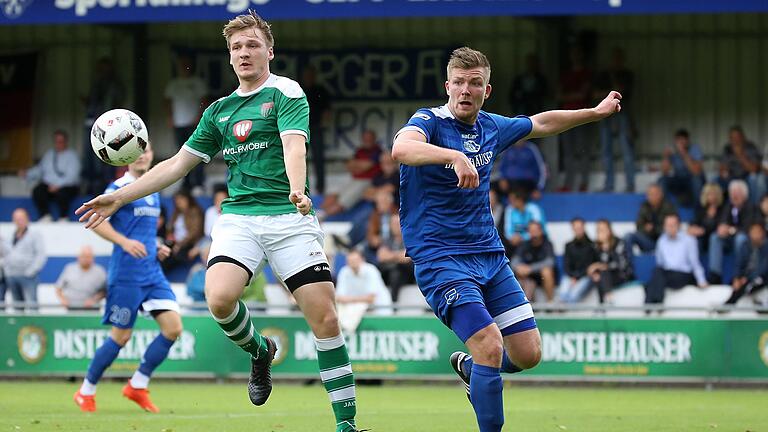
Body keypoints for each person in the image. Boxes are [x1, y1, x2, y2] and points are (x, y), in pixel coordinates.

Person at [77, 12, 362, 432]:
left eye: (251, 45)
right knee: (220, 299)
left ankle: (346, 424)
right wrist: (119, 196)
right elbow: (176, 165)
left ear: (269, 50)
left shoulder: (286, 92)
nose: (244, 53)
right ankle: (259, 351)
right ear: (229, 57)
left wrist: (299, 190)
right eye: (236, 48)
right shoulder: (218, 112)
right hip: (240, 219)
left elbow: (293, 145)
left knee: (326, 319)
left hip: (289, 216)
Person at [392, 46, 622, 432]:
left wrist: (595, 113)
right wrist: (452, 156)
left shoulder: (491, 128)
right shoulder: (429, 121)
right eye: (460, 83)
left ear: (487, 90)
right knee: (489, 344)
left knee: (528, 354)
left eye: (475, 84)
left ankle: (472, 370)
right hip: (440, 258)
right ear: (448, 86)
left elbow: (543, 123)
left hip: (489, 256)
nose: (466, 90)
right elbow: (402, 148)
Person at [73, 144, 183, 413]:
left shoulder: (152, 189)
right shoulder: (118, 189)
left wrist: (155, 245)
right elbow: (97, 220)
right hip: (126, 275)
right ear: (126, 158)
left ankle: (137, 385)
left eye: (147, 151)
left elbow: (140, 230)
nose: (143, 155)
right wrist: (124, 242)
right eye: (138, 152)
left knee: (173, 329)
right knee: (121, 337)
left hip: (152, 272)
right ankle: (86, 391)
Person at [165, 54, 208, 194]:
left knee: (197, 153)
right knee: (181, 154)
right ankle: (186, 183)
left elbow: (204, 101)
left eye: (187, 64)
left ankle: (198, 184)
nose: (184, 67)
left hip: (194, 123)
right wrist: (170, 117)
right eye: (182, 65)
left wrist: (198, 118)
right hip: (178, 123)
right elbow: (167, 101)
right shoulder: (174, 83)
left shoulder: (197, 82)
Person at [81, 57, 124, 195]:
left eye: (104, 67)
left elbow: (115, 103)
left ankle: (104, 186)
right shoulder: (97, 83)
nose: (102, 71)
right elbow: (94, 102)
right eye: (100, 68)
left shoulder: (114, 84)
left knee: (103, 157)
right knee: (89, 156)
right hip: (91, 123)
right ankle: (91, 185)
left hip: (106, 126)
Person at [645, 214, 707, 304]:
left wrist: (701, 280)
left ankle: (651, 305)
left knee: (652, 282)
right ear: (664, 227)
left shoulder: (689, 240)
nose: (670, 228)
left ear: (678, 226)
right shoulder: (661, 241)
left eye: (672, 225)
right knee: (656, 273)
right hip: (666, 274)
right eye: (667, 225)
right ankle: (655, 303)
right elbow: (660, 262)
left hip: (683, 274)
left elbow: (695, 262)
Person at [597, 47, 635, 193]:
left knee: (626, 149)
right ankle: (609, 185)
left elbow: (621, 91)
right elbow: (595, 94)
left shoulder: (627, 74)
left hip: (622, 113)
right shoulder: (603, 75)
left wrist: (612, 79)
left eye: (619, 58)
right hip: (605, 114)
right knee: (606, 150)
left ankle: (630, 185)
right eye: (614, 58)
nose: (616, 61)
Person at [21, 130, 81, 221]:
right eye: (57, 141)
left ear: (66, 142)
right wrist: (27, 173)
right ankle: (45, 216)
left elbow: (72, 176)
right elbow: (40, 169)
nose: (59, 144)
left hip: (66, 186)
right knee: (38, 191)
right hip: (49, 186)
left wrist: (58, 185)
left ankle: (63, 218)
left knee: (63, 193)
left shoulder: (72, 156)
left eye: (61, 141)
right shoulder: (49, 154)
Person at [708, 180, 760, 284]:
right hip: (729, 239)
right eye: (732, 193)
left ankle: (738, 274)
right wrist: (721, 229)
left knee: (740, 238)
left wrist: (730, 230)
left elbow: (747, 228)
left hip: (746, 241)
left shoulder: (751, 207)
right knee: (715, 237)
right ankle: (715, 274)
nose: (734, 196)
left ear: (745, 195)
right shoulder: (728, 206)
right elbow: (722, 222)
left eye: (737, 193)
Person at [557, 46, 593, 192]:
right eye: (573, 54)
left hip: (582, 116)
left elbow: (583, 95)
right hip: (565, 117)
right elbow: (558, 95)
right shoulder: (566, 74)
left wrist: (569, 96)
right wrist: (574, 95)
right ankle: (569, 183)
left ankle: (584, 182)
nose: (575, 56)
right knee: (568, 152)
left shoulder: (587, 73)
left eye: (578, 54)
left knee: (582, 150)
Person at [322, 129, 383, 217]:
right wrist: (360, 166)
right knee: (333, 194)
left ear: (374, 139)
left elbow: (366, 166)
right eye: (365, 138)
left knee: (343, 202)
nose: (367, 141)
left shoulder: (377, 150)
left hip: (368, 181)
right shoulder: (360, 150)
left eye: (369, 138)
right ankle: (317, 213)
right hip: (355, 179)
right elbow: (349, 165)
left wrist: (357, 166)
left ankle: (322, 216)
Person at [0, 208, 46, 311]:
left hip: (28, 276)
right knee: (17, 306)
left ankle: (34, 326)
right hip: (11, 275)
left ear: (27, 219)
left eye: (21, 218)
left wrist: (31, 271)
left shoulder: (35, 235)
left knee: (31, 305)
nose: (19, 221)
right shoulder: (9, 236)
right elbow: (5, 254)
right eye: (16, 219)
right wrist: (7, 270)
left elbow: (40, 255)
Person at [301, 65, 332, 195]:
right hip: (301, 129)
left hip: (316, 128)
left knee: (319, 159)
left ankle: (320, 189)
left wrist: (324, 124)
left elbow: (327, 110)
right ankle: (301, 188)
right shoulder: (299, 89)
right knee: (300, 159)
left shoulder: (320, 90)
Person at [586, 219, 634, 303]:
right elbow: (591, 265)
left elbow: (620, 264)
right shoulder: (595, 246)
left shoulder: (619, 243)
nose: (600, 232)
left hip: (621, 274)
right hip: (605, 276)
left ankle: (605, 300)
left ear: (609, 230)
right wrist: (595, 272)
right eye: (598, 230)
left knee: (603, 272)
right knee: (599, 276)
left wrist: (607, 250)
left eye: (602, 229)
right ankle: (604, 302)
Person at [336, 249, 394, 316]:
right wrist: (360, 299)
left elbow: (371, 298)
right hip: (356, 312)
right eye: (350, 261)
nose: (353, 262)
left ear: (362, 259)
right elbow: (339, 297)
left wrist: (349, 300)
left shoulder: (371, 270)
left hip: (380, 311)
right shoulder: (344, 271)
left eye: (355, 260)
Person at [623, 184, 677, 254]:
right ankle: (628, 262)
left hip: (666, 242)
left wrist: (653, 229)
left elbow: (673, 227)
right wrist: (647, 229)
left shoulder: (669, 207)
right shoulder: (644, 206)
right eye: (650, 194)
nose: (653, 196)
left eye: (655, 194)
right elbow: (639, 226)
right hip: (649, 242)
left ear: (661, 194)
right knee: (628, 236)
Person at [511, 221, 557, 303]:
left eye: (536, 230)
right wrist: (519, 267)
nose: (534, 233)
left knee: (546, 272)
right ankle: (524, 304)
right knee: (518, 271)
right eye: (531, 231)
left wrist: (530, 268)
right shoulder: (524, 244)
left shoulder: (547, 244)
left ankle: (551, 302)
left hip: (541, 277)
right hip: (528, 277)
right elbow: (514, 261)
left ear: (541, 231)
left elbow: (550, 262)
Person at [717, 126, 764, 204]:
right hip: (731, 177)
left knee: (755, 178)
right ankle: (723, 210)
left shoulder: (751, 147)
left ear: (743, 137)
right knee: (715, 180)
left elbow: (754, 169)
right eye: (732, 137)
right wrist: (723, 170)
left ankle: (753, 207)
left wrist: (740, 155)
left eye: (737, 137)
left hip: (747, 176)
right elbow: (722, 168)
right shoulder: (727, 148)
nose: (735, 140)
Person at [659, 129, 705, 207]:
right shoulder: (673, 150)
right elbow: (664, 172)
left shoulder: (694, 148)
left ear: (687, 141)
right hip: (679, 180)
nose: (680, 143)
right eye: (678, 141)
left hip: (693, 180)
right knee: (662, 180)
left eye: (682, 140)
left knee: (696, 180)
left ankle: (699, 211)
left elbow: (696, 171)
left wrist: (683, 152)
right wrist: (666, 157)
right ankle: (665, 209)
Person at [725, 223, 768, 305]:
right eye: (753, 232)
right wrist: (737, 277)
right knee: (738, 284)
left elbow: (763, 268)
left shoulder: (766, 247)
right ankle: (757, 303)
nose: (755, 235)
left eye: (757, 232)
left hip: (762, 277)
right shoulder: (745, 245)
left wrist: (748, 278)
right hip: (746, 277)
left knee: (752, 284)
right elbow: (738, 263)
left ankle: (729, 304)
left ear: (763, 233)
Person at [163, 189, 204, 271]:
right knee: (162, 250)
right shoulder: (176, 213)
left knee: (176, 254)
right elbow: (170, 228)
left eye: (181, 199)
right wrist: (170, 235)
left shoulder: (195, 211)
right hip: (175, 242)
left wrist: (179, 244)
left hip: (188, 243)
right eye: (177, 200)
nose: (179, 202)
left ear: (188, 199)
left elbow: (194, 233)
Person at [55, 245, 107, 310]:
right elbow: (58, 288)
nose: (85, 259)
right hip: (71, 308)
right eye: (83, 256)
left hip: (91, 309)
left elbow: (105, 291)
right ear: (78, 257)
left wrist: (94, 300)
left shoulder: (100, 271)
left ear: (93, 258)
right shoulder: (69, 268)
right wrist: (63, 300)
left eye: (88, 256)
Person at [559, 217, 597, 304]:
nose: (578, 230)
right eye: (576, 228)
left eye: (580, 228)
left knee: (573, 296)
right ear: (573, 229)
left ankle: (567, 315)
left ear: (584, 227)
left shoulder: (591, 246)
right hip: (571, 276)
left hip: (585, 276)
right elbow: (566, 265)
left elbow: (589, 265)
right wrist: (573, 277)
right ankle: (560, 314)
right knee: (562, 294)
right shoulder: (568, 246)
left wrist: (577, 277)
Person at [501, 189, 547, 258]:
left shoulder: (534, 209)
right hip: (515, 242)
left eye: (512, 199)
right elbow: (507, 230)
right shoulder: (509, 209)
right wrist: (512, 237)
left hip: (535, 240)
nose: (510, 202)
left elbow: (537, 230)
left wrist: (522, 238)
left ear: (520, 200)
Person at [687, 183, 725, 255]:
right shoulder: (701, 207)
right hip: (703, 238)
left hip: (718, 238)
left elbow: (721, 226)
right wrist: (692, 228)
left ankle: (714, 266)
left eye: (714, 194)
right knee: (692, 236)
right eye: (709, 194)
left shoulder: (722, 208)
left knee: (714, 237)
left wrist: (703, 230)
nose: (712, 196)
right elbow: (695, 221)